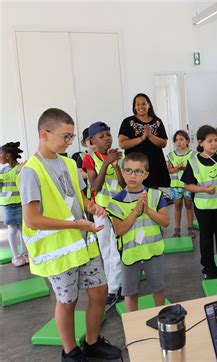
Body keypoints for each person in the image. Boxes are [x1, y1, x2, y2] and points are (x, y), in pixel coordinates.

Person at [18, 108, 122, 361]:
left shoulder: (68, 162)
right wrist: (77, 225)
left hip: (83, 243)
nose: (69, 142)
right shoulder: (31, 171)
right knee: (68, 301)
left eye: (71, 137)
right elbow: (32, 219)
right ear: (44, 134)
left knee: (99, 291)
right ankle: (70, 352)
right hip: (59, 250)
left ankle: (92, 341)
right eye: (65, 136)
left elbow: (79, 196)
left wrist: (91, 206)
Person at [107, 152, 169, 312]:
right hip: (130, 256)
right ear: (121, 172)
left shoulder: (156, 195)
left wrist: (148, 210)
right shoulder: (115, 202)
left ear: (146, 174)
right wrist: (135, 211)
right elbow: (119, 230)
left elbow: (165, 221)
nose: (132, 175)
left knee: (158, 288)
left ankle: (161, 317)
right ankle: (132, 325)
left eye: (138, 171)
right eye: (128, 170)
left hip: (153, 252)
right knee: (130, 293)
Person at [181, 125, 217, 279]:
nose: (214, 144)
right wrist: (203, 190)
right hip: (203, 207)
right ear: (201, 143)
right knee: (205, 238)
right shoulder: (193, 161)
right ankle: (208, 269)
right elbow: (187, 185)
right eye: (210, 141)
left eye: (216, 140)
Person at [82, 121, 126, 310]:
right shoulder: (89, 160)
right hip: (100, 210)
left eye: (108, 134)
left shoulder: (118, 156)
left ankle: (115, 288)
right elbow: (94, 187)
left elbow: (124, 185)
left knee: (117, 249)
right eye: (101, 136)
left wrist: (115, 165)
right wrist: (106, 163)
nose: (107, 138)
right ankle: (112, 286)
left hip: (117, 209)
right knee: (105, 248)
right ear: (92, 141)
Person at [119, 93, 170, 188]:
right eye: (138, 104)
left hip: (156, 165)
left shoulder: (157, 121)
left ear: (149, 105)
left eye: (143, 104)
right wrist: (142, 138)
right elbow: (122, 144)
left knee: (155, 196)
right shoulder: (127, 122)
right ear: (134, 107)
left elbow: (163, 143)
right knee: (137, 194)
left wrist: (150, 135)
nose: (141, 106)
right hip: (135, 166)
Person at [0, 142, 27, 267]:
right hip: (9, 205)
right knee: (12, 229)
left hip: (22, 204)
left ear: (7, 156)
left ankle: (25, 254)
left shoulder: (21, 168)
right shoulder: (3, 171)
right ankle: (16, 256)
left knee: (23, 229)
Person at [167, 130, 195, 238]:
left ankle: (190, 228)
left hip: (188, 185)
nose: (179, 142)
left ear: (187, 141)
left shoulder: (193, 155)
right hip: (176, 185)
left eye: (181, 139)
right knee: (177, 206)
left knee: (189, 205)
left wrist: (185, 168)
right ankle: (177, 229)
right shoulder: (171, 155)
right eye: (177, 140)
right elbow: (169, 169)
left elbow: (195, 169)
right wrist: (175, 169)